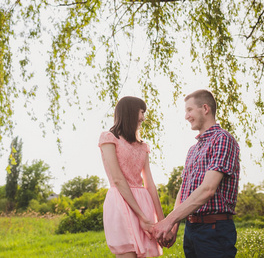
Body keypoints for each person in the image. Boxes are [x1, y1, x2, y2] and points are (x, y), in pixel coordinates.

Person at [153, 89, 240, 257]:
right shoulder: (193, 149)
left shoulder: (222, 139)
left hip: (214, 230)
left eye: (189, 110)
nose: (186, 116)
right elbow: (183, 189)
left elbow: (208, 189)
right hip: (191, 230)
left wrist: (168, 220)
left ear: (205, 109)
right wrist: (174, 226)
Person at [99, 96, 164, 258]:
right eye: (141, 112)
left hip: (144, 201)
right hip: (121, 201)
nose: (143, 117)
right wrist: (142, 216)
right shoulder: (108, 138)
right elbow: (118, 179)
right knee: (126, 253)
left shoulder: (143, 146)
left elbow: (150, 184)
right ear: (130, 112)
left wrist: (162, 222)